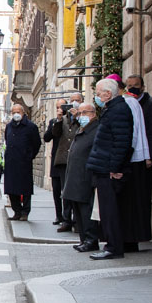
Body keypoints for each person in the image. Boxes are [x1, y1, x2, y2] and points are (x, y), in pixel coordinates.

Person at [86, 79, 136, 260]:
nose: (97, 97)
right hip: (105, 166)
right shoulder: (112, 109)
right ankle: (111, 245)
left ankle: (113, 247)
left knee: (110, 211)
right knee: (107, 210)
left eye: (98, 93)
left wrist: (114, 168)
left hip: (108, 168)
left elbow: (121, 142)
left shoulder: (118, 110)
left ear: (107, 94)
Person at [124, 74, 152, 243]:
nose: (132, 87)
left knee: (142, 196)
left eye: (136, 85)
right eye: (129, 85)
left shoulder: (151, 105)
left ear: (143, 87)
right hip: (132, 158)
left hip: (143, 159)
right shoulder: (128, 102)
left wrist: (150, 157)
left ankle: (142, 233)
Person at [63, 99, 102, 251]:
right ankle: (84, 239)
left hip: (86, 177)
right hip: (75, 177)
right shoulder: (82, 129)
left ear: (93, 114)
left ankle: (91, 240)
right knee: (78, 210)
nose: (81, 116)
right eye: (79, 113)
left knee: (87, 211)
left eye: (84, 113)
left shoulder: (96, 130)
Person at [43, 98, 80, 227]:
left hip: (72, 160)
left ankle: (70, 218)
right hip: (58, 160)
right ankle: (60, 216)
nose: (61, 109)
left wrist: (77, 117)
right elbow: (48, 137)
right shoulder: (56, 121)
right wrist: (58, 120)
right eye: (58, 107)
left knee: (68, 190)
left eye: (63, 107)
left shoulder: (78, 119)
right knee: (57, 190)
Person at [1, 102, 39, 220]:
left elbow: (36, 143)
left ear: (23, 113)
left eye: (18, 112)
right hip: (11, 162)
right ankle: (17, 211)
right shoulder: (9, 126)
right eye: (14, 112)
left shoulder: (31, 126)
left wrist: (29, 156)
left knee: (25, 189)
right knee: (11, 188)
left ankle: (25, 212)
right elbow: (7, 140)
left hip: (24, 162)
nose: (16, 114)